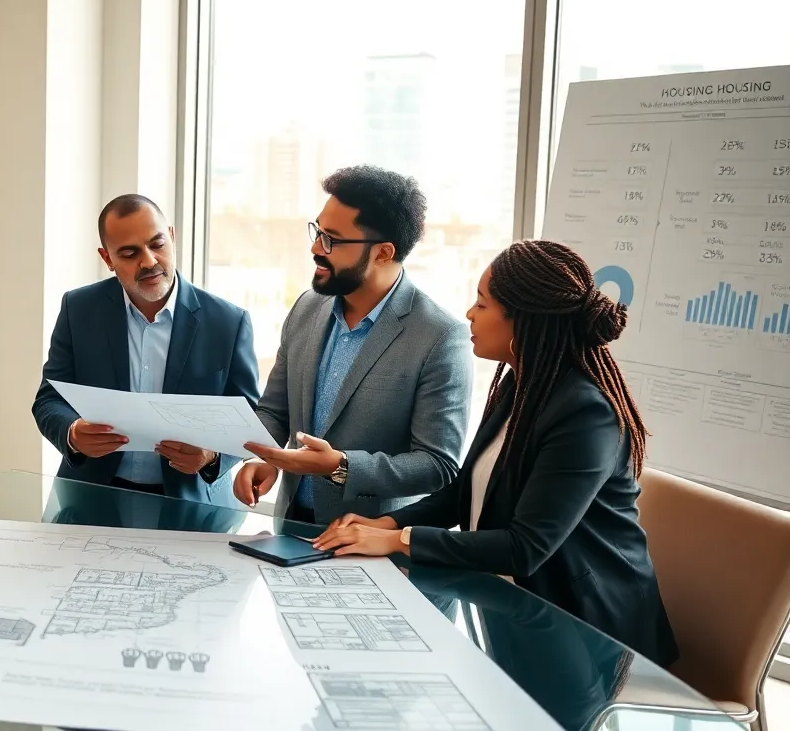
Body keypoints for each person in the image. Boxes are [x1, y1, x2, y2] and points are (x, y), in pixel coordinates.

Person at [314, 239, 679, 666]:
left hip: (592, 636)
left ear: (522, 321)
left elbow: (525, 547)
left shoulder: (586, 414)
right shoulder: (520, 385)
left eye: (482, 304)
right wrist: (387, 522)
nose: (469, 313)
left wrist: (397, 540)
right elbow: (463, 493)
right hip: (517, 612)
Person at [234, 165, 473, 524]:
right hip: (290, 524)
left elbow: (438, 464)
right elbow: (275, 413)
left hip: (373, 540)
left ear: (383, 252)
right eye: (317, 231)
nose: (316, 247)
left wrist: (341, 467)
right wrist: (262, 457)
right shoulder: (306, 308)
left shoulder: (439, 336)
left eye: (332, 238)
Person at [33, 194, 259, 505]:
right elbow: (49, 399)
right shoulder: (78, 308)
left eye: (157, 244)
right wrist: (72, 433)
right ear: (107, 258)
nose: (149, 261)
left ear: (173, 237)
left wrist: (211, 456)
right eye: (129, 253)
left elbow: (248, 415)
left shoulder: (228, 322)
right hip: (93, 500)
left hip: (192, 506)